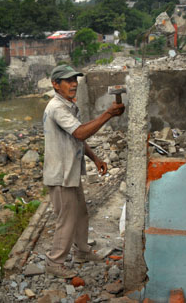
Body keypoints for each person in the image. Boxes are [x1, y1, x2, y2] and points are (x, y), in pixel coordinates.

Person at [43, 64, 125, 278]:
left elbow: (76, 137)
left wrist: (95, 158)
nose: (73, 84)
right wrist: (108, 114)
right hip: (61, 174)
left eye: (75, 80)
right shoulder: (57, 108)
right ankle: (55, 262)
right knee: (66, 218)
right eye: (68, 81)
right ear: (55, 84)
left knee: (80, 214)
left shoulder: (68, 106)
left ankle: (81, 252)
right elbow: (80, 133)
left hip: (69, 172)